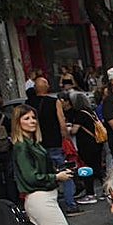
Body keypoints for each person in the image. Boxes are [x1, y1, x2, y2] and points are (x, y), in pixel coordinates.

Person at [11, 105, 80, 225]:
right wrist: (56, 176)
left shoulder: (30, 144)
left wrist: (56, 173)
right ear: (18, 122)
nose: (32, 121)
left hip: (37, 199)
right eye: (26, 118)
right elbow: (31, 176)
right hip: (41, 197)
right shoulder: (22, 146)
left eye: (33, 117)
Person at [28, 77, 76, 213]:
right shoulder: (54, 102)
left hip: (37, 144)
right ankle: (70, 204)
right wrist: (66, 138)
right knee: (65, 172)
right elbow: (62, 122)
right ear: (47, 87)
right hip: (54, 142)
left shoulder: (28, 103)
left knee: (43, 174)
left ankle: (46, 206)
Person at [67, 91, 103, 204]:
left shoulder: (80, 114)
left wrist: (68, 129)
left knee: (88, 169)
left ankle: (90, 193)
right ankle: (108, 189)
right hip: (96, 143)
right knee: (97, 167)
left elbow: (74, 130)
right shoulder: (90, 112)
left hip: (86, 145)